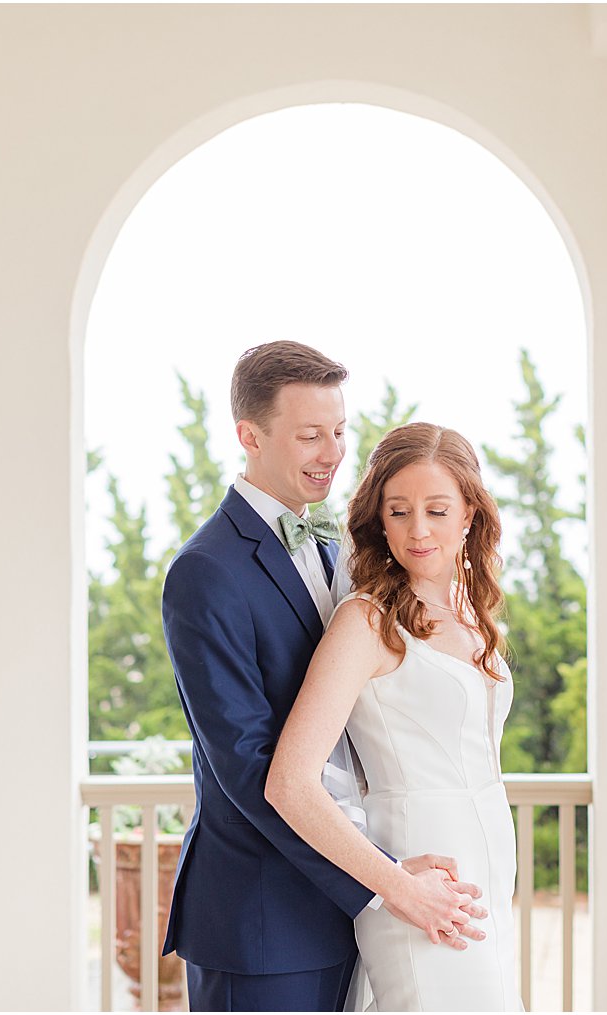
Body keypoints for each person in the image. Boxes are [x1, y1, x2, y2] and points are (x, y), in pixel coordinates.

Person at [161, 343, 486, 1013]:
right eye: (310, 435)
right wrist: (382, 880)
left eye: (339, 431)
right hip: (263, 918)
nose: (332, 451)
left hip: (354, 911)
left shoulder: (339, 549)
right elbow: (248, 767)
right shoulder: (205, 571)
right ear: (249, 436)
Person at [267, 422, 522, 1012]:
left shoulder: (473, 613)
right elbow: (289, 783)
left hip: (487, 862)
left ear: (470, 516)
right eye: (399, 511)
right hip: (418, 869)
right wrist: (397, 888)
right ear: (378, 520)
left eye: (437, 509)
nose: (418, 530)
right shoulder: (365, 622)